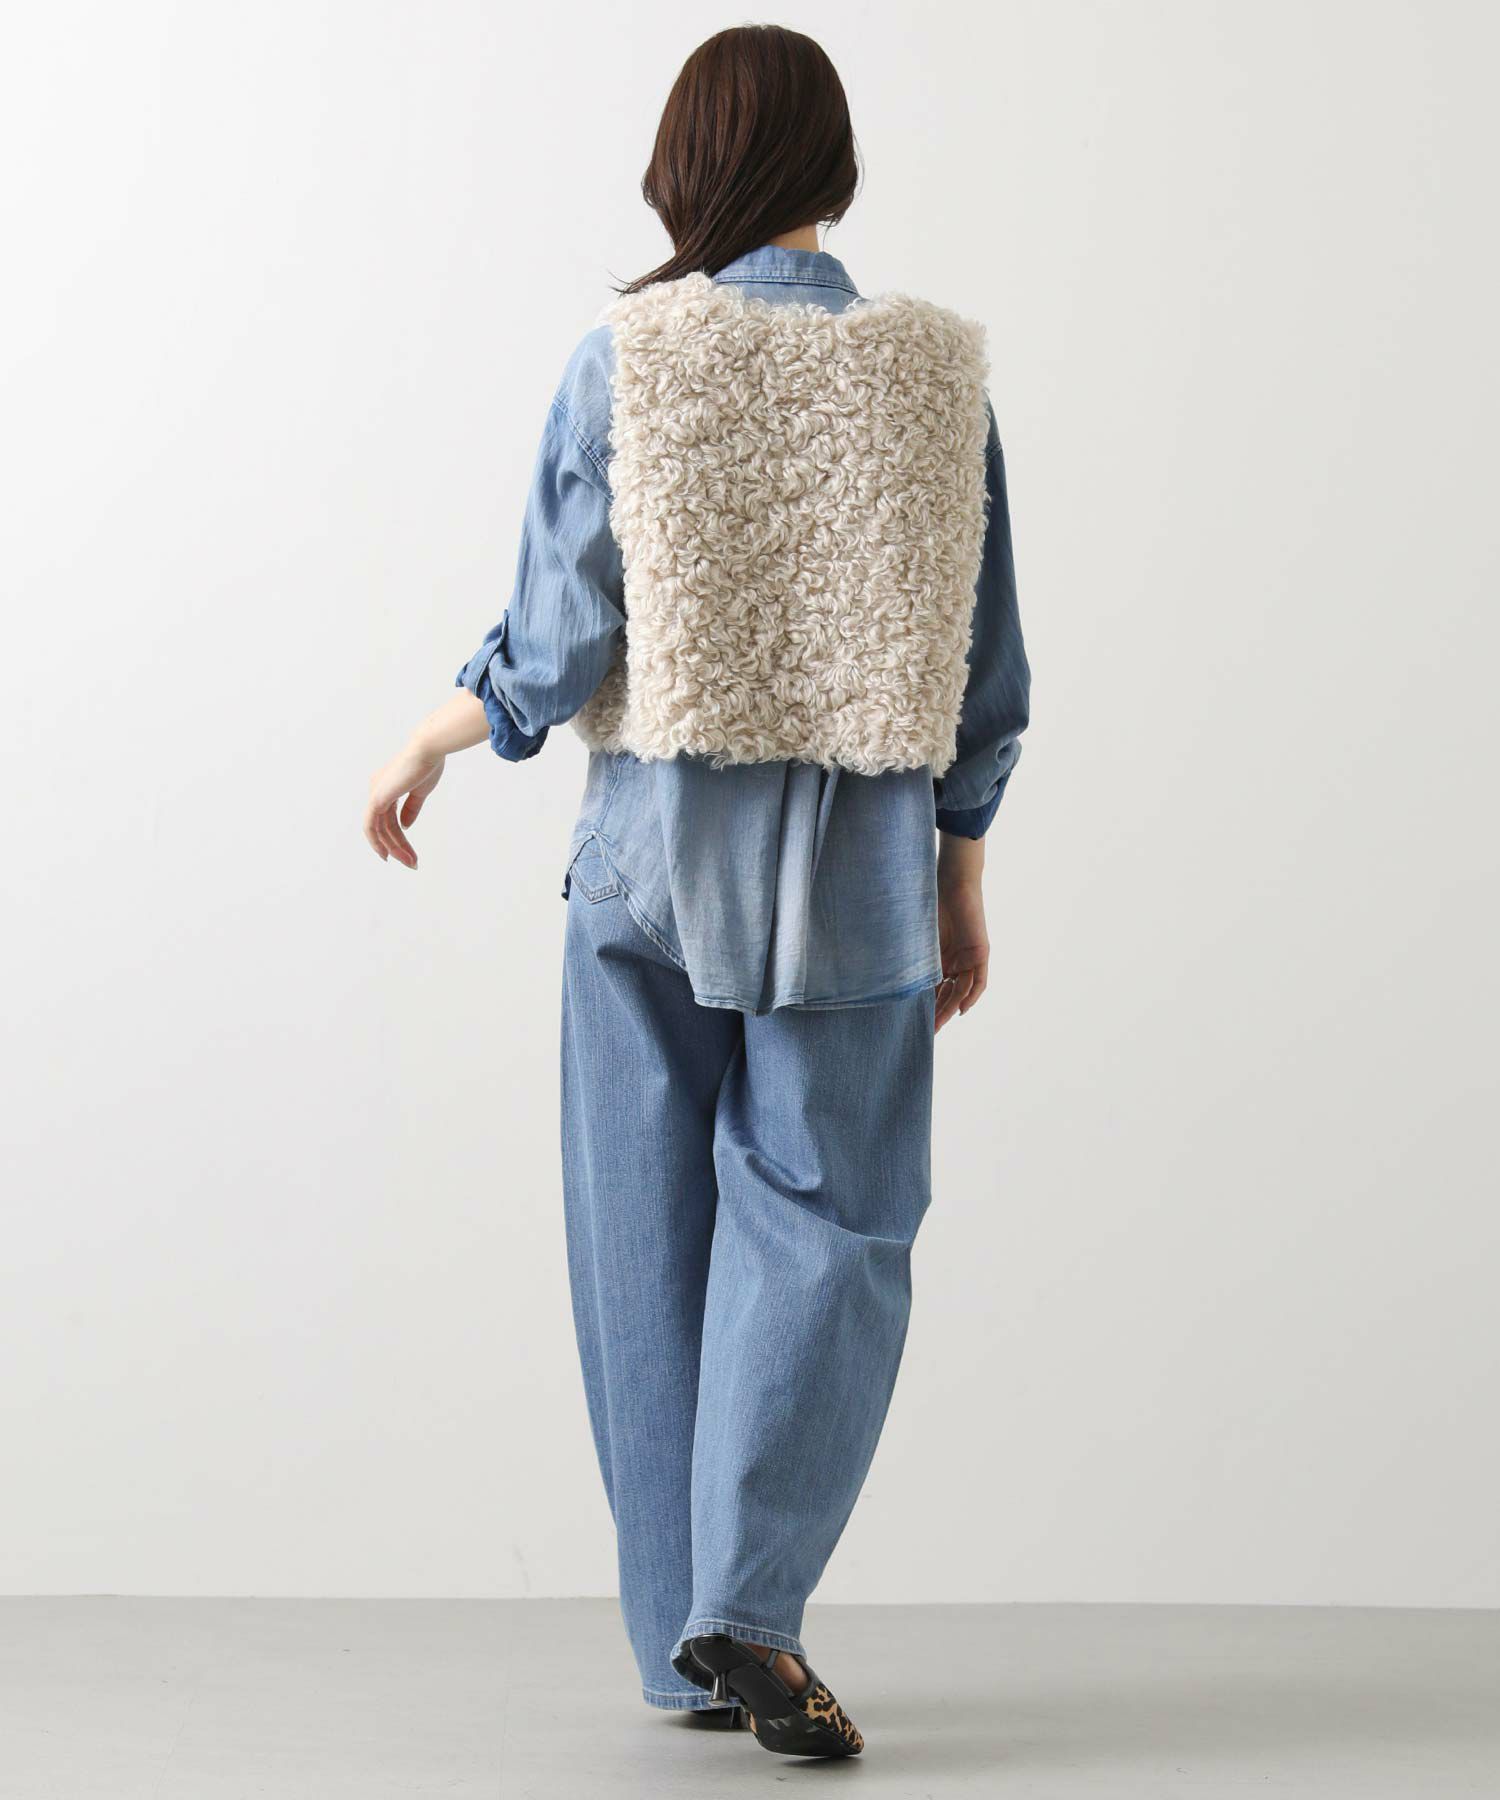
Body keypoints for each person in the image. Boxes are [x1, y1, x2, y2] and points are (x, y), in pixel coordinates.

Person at [364, 23, 1029, 1761]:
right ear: (836, 172)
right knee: (830, 1230)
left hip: (647, 873)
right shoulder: (934, 380)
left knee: (639, 1246)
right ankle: (746, 1611)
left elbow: (559, 644)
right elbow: (981, 679)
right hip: (860, 888)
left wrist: (435, 733)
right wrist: (962, 875)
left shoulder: (630, 364)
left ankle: (683, 1645)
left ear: (686, 170)